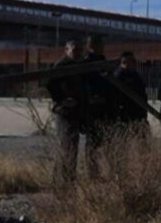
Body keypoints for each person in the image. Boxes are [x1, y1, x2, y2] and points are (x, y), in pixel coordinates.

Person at [46, 39, 85, 184]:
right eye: (75, 50)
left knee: (72, 148)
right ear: (67, 50)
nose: (78, 53)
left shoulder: (79, 66)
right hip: (65, 112)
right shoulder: (61, 65)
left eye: (80, 50)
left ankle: (67, 180)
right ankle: (61, 181)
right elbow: (50, 84)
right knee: (66, 147)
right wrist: (62, 100)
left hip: (76, 112)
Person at [83, 35, 113, 168]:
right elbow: (84, 83)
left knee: (106, 140)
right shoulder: (86, 63)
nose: (102, 48)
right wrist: (90, 97)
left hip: (105, 106)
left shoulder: (103, 62)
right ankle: (92, 170)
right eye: (99, 45)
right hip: (92, 108)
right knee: (92, 141)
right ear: (91, 47)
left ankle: (105, 169)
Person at [113, 51, 149, 136]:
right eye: (131, 61)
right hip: (125, 114)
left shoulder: (135, 75)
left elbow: (142, 92)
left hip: (138, 113)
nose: (134, 63)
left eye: (134, 60)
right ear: (124, 62)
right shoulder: (118, 76)